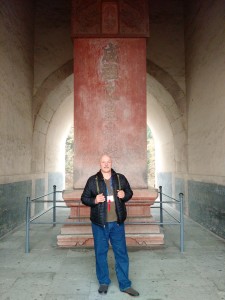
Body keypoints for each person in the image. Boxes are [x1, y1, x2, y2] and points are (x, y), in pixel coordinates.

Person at [81, 154, 139, 297]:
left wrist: (124, 195)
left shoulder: (120, 178)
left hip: (117, 223)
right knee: (101, 253)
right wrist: (95, 200)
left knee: (121, 253)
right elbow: (84, 198)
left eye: (108, 162)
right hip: (100, 224)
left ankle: (125, 284)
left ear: (111, 163)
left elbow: (130, 193)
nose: (106, 164)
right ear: (99, 164)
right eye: (103, 162)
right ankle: (104, 282)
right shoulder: (92, 180)